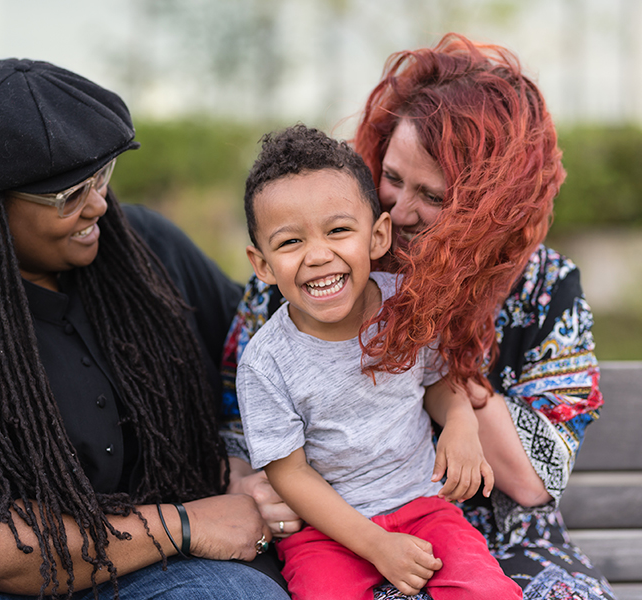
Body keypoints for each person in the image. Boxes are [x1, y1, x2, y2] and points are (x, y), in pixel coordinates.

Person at [0, 59, 291, 600]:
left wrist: (238, 463)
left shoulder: (147, 252)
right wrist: (183, 524)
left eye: (102, 177)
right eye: (68, 196)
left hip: (149, 569)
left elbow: (263, 354)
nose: (98, 203)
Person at [220, 34, 612, 600]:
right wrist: (251, 486)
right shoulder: (326, 262)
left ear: (486, 212)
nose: (399, 211)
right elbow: (237, 421)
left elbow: (532, 480)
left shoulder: (545, 286)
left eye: (432, 195)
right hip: (335, 532)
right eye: (393, 178)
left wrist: (445, 327)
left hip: (497, 535)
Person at [236, 123, 522, 600]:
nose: (319, 255)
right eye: (290, 242)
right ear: (262, 264)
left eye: (339, 230)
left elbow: (437, 379)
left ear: (378, 236)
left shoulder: (405, 307)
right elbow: (291, 473)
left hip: (425, 507)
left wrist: (459, 423)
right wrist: (375, 544)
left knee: (490, 592)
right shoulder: (266, 363)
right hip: (328, 531)